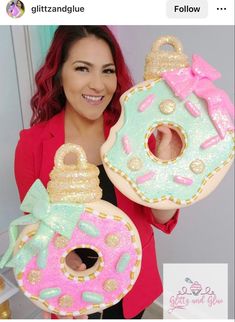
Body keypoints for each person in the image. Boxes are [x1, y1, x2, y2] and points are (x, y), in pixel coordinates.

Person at [14, 26, 182, 319]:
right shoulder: (32, 145)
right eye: (82, 68)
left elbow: (161, 217)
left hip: (132, 283)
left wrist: (167, 168)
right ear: (58, 73)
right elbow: (37, 228)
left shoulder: (134, 133)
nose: (98, 85)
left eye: (107, 71)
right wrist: (67, 262)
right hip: (71, 287)